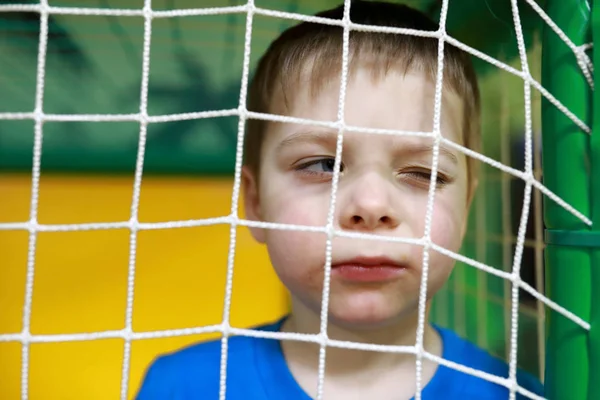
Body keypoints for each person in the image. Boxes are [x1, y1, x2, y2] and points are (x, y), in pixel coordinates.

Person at [136, 1, 544, 399]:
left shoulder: (514, 394)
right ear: (256, 202)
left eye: (423, 173)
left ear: (466, 206)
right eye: (323, 164)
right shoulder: (182, 386)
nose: (369, 205)